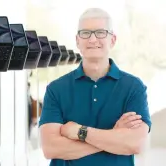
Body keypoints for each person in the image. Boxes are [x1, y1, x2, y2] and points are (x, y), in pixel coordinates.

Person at [39, 8, 152, 166]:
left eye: (100, 32)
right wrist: (114, 137)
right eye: (85, 33)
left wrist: (79, 131)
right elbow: (51, 148)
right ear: (77, 40)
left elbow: (136, 144)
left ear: (112, 40)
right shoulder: (56, 89)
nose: (92, 40)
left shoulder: (134, 87)